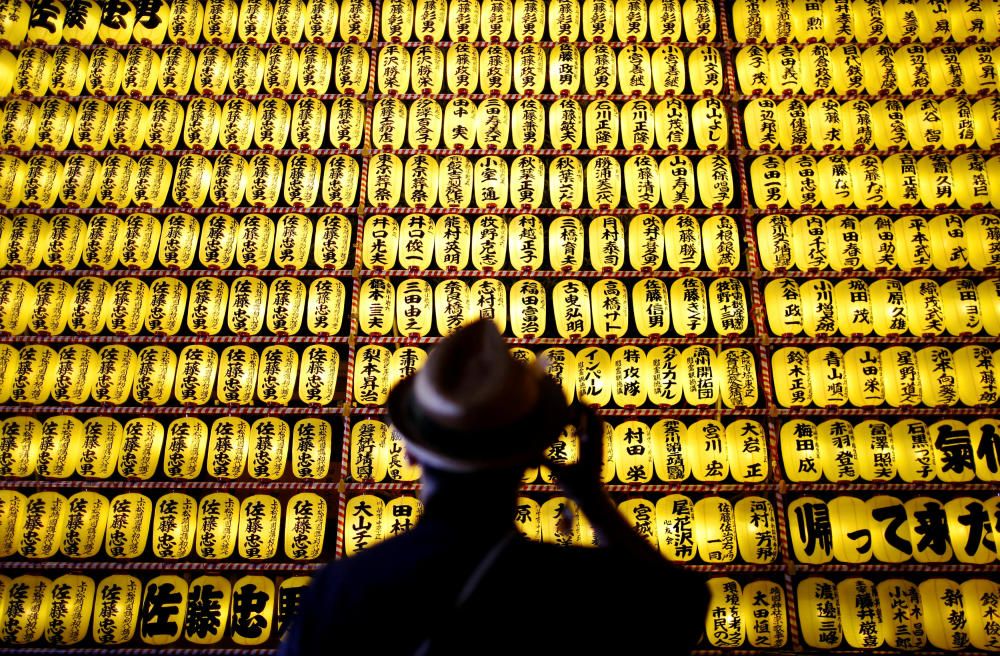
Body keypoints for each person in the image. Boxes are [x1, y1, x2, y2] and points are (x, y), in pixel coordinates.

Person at [278, 320, 709, 655]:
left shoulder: (345, 587)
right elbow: (683, 602)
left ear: (411, 454)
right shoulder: (573, 588)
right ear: (533, 454)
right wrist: (590, 498)